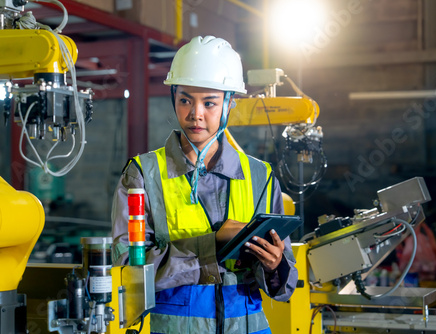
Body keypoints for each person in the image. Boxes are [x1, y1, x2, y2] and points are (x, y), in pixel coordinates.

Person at [112, 35, 298, 334]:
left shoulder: (260, 176)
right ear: (173, 97)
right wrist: (211, 245)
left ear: (228, 104)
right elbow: (128, 272)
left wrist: (275, 266)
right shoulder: (143, 175)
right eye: (185, 99)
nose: (195, 114)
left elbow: (285, 286)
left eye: (209, 102)